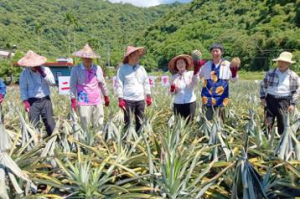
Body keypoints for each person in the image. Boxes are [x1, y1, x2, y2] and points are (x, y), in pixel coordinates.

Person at [70, 44, 110, 132]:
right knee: (85, 124)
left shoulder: (97, 68)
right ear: (82, 58)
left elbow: (102, 83)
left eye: (90, 58)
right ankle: (85, 142)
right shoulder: (76, 69)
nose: (88, 59)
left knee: (99, 123)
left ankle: (99, 141)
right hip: (84, 101)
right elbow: (72, 86)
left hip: (97, 100)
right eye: (86, 57)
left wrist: (106, 96)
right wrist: (73, 100)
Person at [194, 43, 239, 121]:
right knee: (206, 120)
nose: (215, 53)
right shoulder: (206, 65)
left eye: (217, 51)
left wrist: (234, 73)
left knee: (220, 121)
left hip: (222, 98)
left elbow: (233, 80)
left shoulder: (228, 65)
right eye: (213, 51)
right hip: (207, 97)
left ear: (221, 52)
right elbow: (197, 79)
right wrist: (196, 68)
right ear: (211, 53)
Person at [260, 51, 300, 135]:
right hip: (270, 99)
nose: (280, 64)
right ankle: (268, 140)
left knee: (282, 123)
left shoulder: (293, 76)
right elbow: (263, 84)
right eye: (279, 62)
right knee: (268, 121)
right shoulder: (271, 72)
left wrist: (292, 104)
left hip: (284, 101)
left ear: (288, 64)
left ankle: (281, 142)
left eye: (284, 62)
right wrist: (262, 97)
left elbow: (297, 90)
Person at [19, 50, 56, 136]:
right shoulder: (24, 74)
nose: (35, 66)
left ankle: (53, 141)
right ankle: (35, 143)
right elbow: (23, 89)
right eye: (33, 64)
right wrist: (25, 102)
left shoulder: (46, 70)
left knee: (50, 123)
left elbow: (52, 82)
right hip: (32, 102)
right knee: (34, 124)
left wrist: (43, 73)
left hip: (45, 100)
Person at [116, 46, 152, 132]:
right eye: (135, 55)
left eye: (138, 55)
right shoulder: (122, 69)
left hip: (140, 99)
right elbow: (119, 84)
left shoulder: (141, 69)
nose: (137, 57)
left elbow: (146, 83)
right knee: (127, 121)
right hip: (127, 100)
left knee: (140, 121)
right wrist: (120, 99)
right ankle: (126, 141)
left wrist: (148, 96)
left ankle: (139, 139)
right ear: (129, 56)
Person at [168, 54, 199, 123]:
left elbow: (195, 82)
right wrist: (172, 89)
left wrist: (196, 72)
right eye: (178, 63)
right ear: (176, 66)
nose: (180, 65)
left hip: (190, 102)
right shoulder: (173, 77)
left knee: (189, 123)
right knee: (178, 123)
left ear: (186, 64)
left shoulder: (191, 74)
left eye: (182, 62)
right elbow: (171, 92)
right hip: (178, 103)